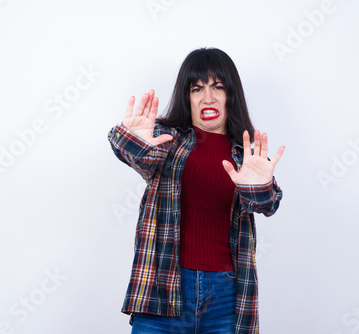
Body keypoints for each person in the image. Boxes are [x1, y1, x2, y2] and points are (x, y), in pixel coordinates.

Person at [108, 47, 284, 334]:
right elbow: (137, 155)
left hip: (226, 297)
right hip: (162, 291)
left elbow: (268, 203)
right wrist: (132, 139)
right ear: (186, 97)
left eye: (218, 87)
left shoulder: (246, 155)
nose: (208, 97)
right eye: (197, 88)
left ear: (231, 95)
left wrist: (259, 187)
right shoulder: (167, 141)